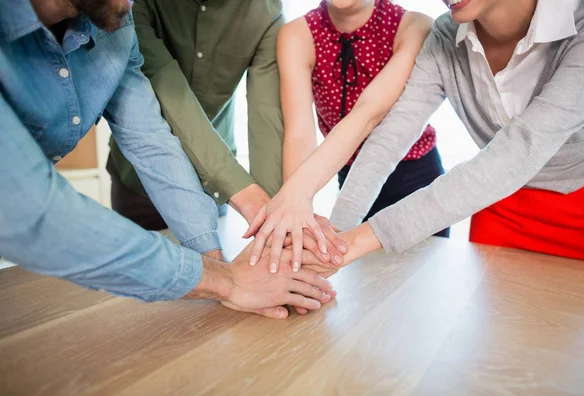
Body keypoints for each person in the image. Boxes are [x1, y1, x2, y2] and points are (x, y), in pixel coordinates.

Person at [0, 0, 335, 319]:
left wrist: (219, 261)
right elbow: (32, 211)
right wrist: (225, 282)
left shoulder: (115, 26)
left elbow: (151, 142)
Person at [282, 0, 584, 271]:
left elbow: (523, 148)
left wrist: (354, 242)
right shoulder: (445, 37)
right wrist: (333, 237)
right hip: (498, 204)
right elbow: (390, 137)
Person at [108, 0, 347, 267]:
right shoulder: (134, 3)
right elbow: (167, 88)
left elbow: (267, 119)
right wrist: (252, 200)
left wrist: (277, 221)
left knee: (219, 292)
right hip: (141, 181)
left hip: (219, 191)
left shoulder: (265, 13)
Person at [246, 0, 448, 271]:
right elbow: (299, 136)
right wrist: (297, 213)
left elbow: (369, 113)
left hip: (415, 180)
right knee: (363, 294)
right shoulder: (297, 35)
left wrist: (299, 194)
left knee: (416, 290)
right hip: (350, 177)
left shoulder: (414, 25)